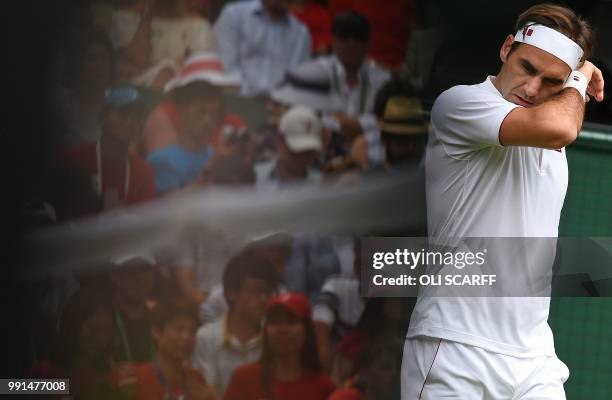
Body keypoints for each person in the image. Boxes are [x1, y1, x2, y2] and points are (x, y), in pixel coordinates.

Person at [401, 4, 604, 399]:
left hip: (535, 359)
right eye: (527, 68)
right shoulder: (459, 103)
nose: (531, 89)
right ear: (506, 48)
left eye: (550, 81)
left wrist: (573, 81)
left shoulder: (549, 132)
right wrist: (580, 78)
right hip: (454, 348)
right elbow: (562, 126)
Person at [192, 249, 279, 396]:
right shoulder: (206, 337)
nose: (264, 299)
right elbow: (206, 393)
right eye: (256, 290)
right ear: (231, 292)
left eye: (268, 292)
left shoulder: (275, 337)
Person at [58, 85, 155, 213]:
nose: (132, 121)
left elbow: (145, 222)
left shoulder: (143, 172)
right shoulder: (75, 160)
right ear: (103, 117)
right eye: (124, 113)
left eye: (138, 116)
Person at [224, 293, 336, 400]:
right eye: (274, 322)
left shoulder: (323, 387)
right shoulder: (243, 379)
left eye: (291, 321)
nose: (282, 329)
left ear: (307, 329)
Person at [213, 0, 311, 96]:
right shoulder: (233, 15)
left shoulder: (300, 33)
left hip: (279, 106)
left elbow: (295, 79)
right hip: (236, 100)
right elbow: (227, 67)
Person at [146, 80, 219, 195]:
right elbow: (172, 207)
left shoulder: (215, 156)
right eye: (201, 111)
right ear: (182, 111)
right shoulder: (161, 160)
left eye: (213, 114)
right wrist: (209, 169)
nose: (208, 120)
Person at [135, 299, 216, 400]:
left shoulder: (196, 378)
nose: (186, 337)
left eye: (192, 330)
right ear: (156, 332)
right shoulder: (137, 378)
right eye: (179, 329)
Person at [110, 253, 158, 364]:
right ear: (114, 274)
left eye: (144, 269)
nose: (139, 277)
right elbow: (63, 381)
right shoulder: (100, 321)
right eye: (129, 270)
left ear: (154, 272)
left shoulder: (162, 317)